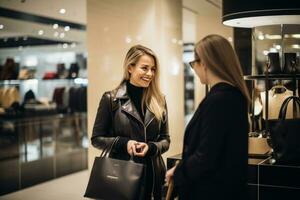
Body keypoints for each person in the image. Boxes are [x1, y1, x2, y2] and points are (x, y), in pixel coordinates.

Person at [165, 34, 250, 200]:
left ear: (203, 62)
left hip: (211, 192)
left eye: (193, 64)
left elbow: (206, 156)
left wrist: (178, 171)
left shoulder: (219, 100)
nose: (194, 69)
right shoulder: (233, 96)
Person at [91, 45, 170, 200]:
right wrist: (124, 144)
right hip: (122, 175)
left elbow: (166, 139)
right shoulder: (111, 99)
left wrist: (151, 147)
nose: (150, 74)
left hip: (153, 176)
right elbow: (96, 139)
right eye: (144, 68)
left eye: (153, 69)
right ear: (130, 68)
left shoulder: (159, 100)